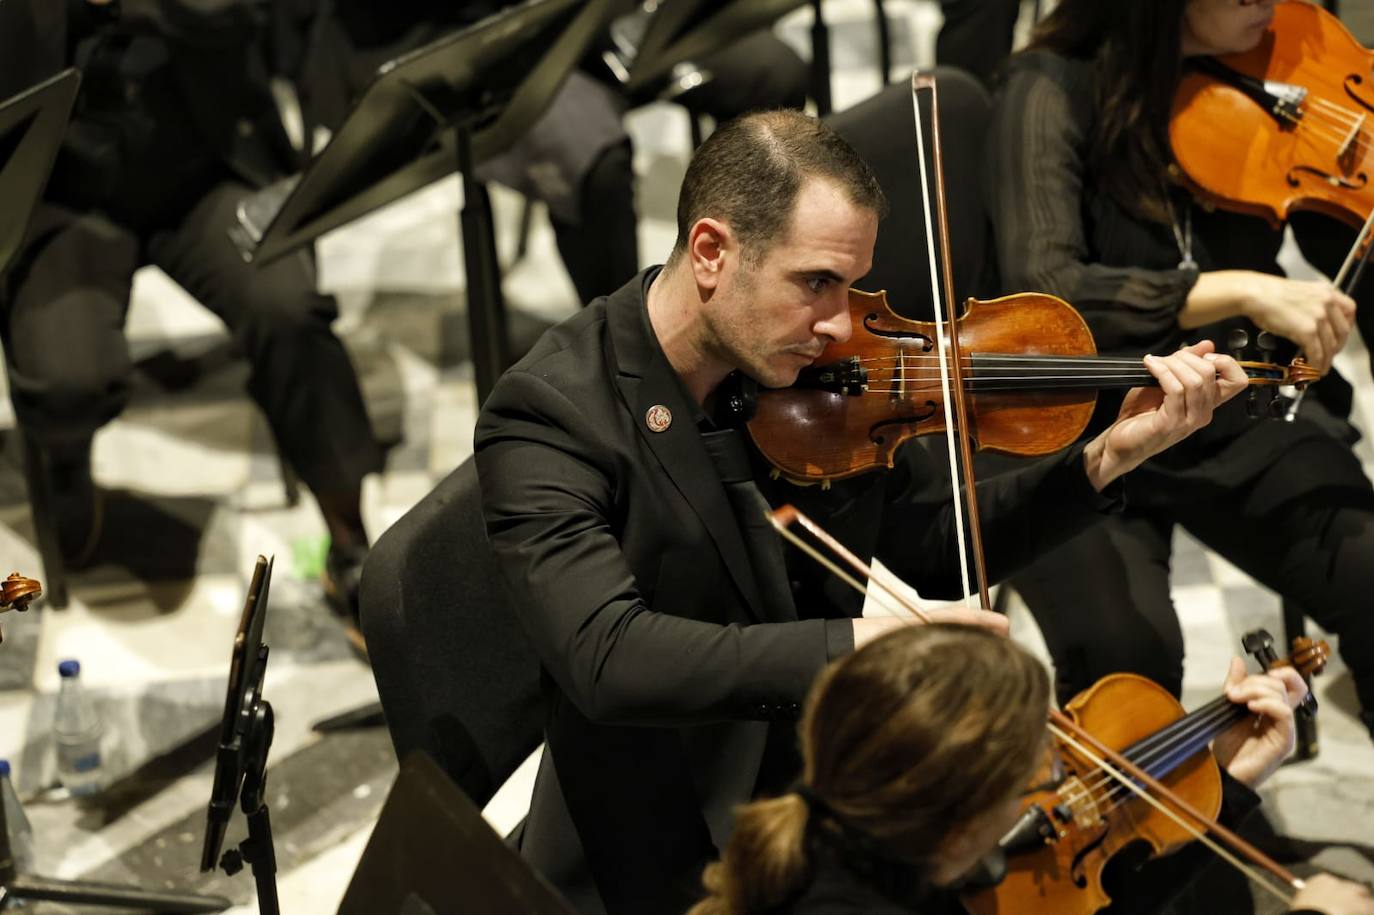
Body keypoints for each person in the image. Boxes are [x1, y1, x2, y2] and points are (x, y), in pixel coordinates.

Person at [474, 109, 1248, 914]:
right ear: (711, 252)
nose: (842, 322)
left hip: (818, 802)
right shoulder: (553, 411)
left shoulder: (813, 378)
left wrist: (1104, 460)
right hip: (659, 845)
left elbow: (925, 544)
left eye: (849, 285)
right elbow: (608, 657)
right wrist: (856, 644)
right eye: (814, 282)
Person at [984, 0, 1374, 739]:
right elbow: (1050, 292)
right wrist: (1240, 288)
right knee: (1128, 658)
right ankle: (1144, 847)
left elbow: (1338, 245)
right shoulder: (1046, 89)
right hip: (1085, 430)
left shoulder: (1273, 80)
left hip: (1231, 408)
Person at [2, 0, 382, 640]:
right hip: (61, 194)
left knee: (287, 309)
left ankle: (350, 538)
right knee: (67, 383)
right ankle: (65, 458)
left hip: (204, 169)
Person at [687, 625, 1373, 915]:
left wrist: (1236, 784)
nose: (1066, 787)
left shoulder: (826, 832)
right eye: (1045, 760)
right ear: (967, 808)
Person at [295, 0, 810, 305]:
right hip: (469, 42)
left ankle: (744, 289)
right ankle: (628, 359)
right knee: (592, 160)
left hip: (586, 17)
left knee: (771, 71)